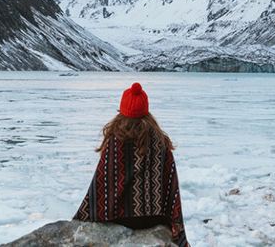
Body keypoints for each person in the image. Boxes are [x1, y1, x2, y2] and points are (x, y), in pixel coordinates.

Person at [73, 82, 190, 247]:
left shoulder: (115, 142)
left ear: (122, 111)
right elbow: (170, 184)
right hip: (154, 218)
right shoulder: (160, 142)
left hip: (119, 218)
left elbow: (100, 185)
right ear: (146, 111)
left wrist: (82, 216)